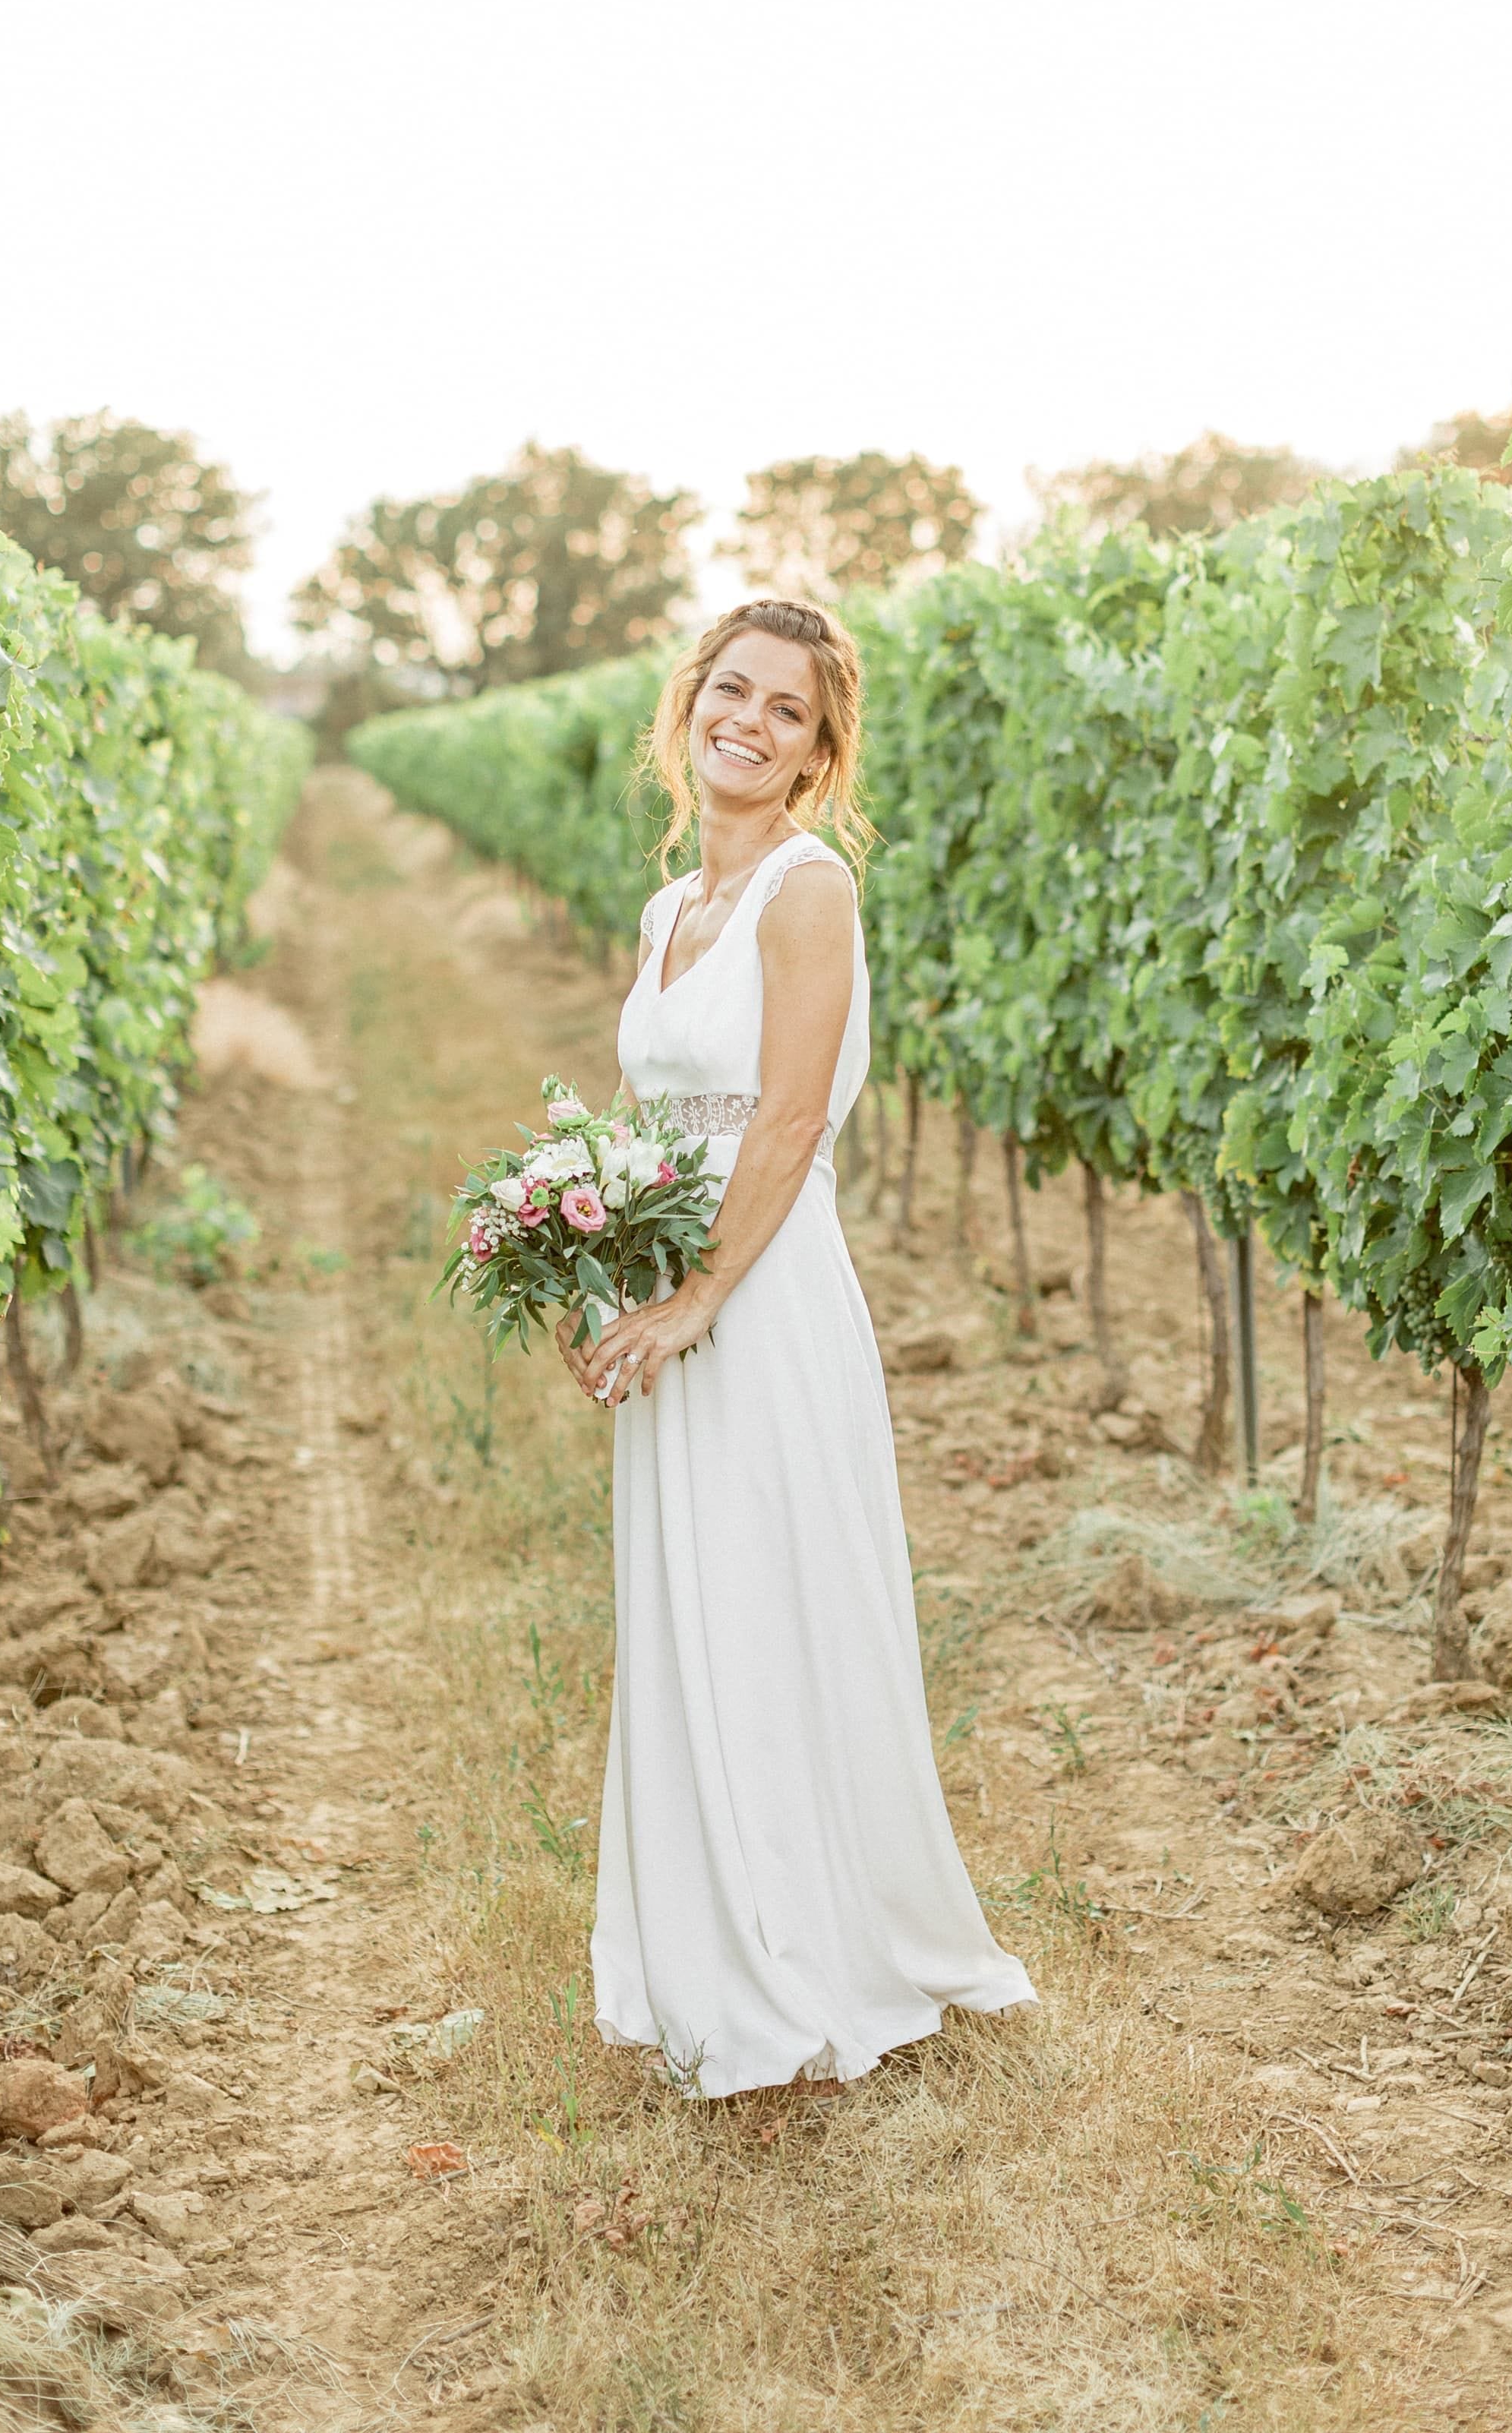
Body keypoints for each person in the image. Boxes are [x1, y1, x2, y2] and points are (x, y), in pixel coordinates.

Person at [559, 596, 1034, 2099]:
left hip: (761, 1291)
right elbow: (661, 1124)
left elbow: (783, 1118)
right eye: (732, 691)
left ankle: (802, 1949)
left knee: (770, 1599)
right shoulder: (667, 910)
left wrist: (697, 1295)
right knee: (691, 1598)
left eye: (787, 713)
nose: (748, 723)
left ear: (820, 754)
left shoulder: (806, 891)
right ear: (689, 700)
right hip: (678, 1278)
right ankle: (709, 1939)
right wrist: (597, 1254)